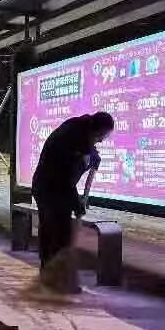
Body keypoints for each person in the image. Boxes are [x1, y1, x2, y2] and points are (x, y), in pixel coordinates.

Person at [31, 112, 114, 268]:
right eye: (102, 136)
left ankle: (51, 272)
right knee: (57, 234)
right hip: (49, 189)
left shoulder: (78, 130)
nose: (101, 140)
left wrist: (90, 155)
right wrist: (77, 204)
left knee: (52, 232)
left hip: (48, 187)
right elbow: (64, 178)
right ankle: (55, 273)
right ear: (96, 129)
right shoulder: (73, 139)